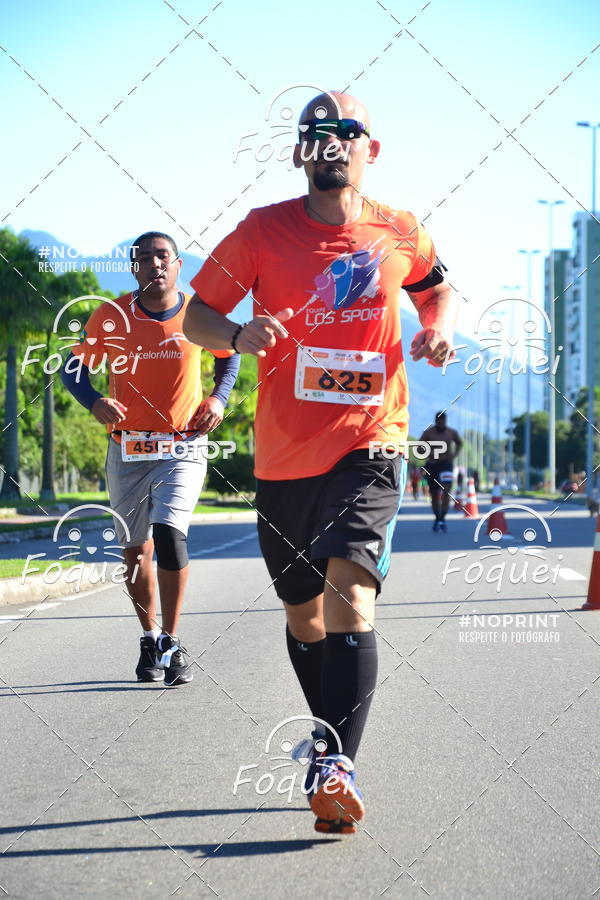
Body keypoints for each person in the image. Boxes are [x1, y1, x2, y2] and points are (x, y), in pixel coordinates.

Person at [183, 91, 457, 833]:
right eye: (315, 132)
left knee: (348, 592)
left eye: (345, 130)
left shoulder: (399, 229)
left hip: (371, 442)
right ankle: (328, 739)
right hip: (284, 459)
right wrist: (237, 335)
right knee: (304, 615)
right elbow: (195, 314)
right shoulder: (262, 232)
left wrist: (436, 331)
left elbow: (437, 290)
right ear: (301, 150)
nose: (330, 140)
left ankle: (338, 764)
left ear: (372, 148)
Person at [61, 231, 240, 686]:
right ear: (133, 267)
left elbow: (229, 356)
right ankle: (148, 636)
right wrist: (94, 401)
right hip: (128, 448)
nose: (155, 263)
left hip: (183, 444)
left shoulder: (198, 313)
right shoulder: (112, 315)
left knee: (169, 534)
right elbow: (72, 368)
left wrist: (218, 400)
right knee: (135, 549)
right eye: (145, 258)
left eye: (164, 256)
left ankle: (172, 641)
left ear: (178, 264)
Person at [420, 412, 462, 532]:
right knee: (434, 494)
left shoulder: (451, 432)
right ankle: (437, 517)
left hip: (446, 465)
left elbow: (459, 443)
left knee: (446, 491)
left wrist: (454, 455)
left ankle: (442, 518)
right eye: (439, 420)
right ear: (436, 421)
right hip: (432, 465)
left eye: (443, 420)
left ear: (446, 420)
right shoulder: (429, 433)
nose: (441, 422)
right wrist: (427, 455)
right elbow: (419, 447)